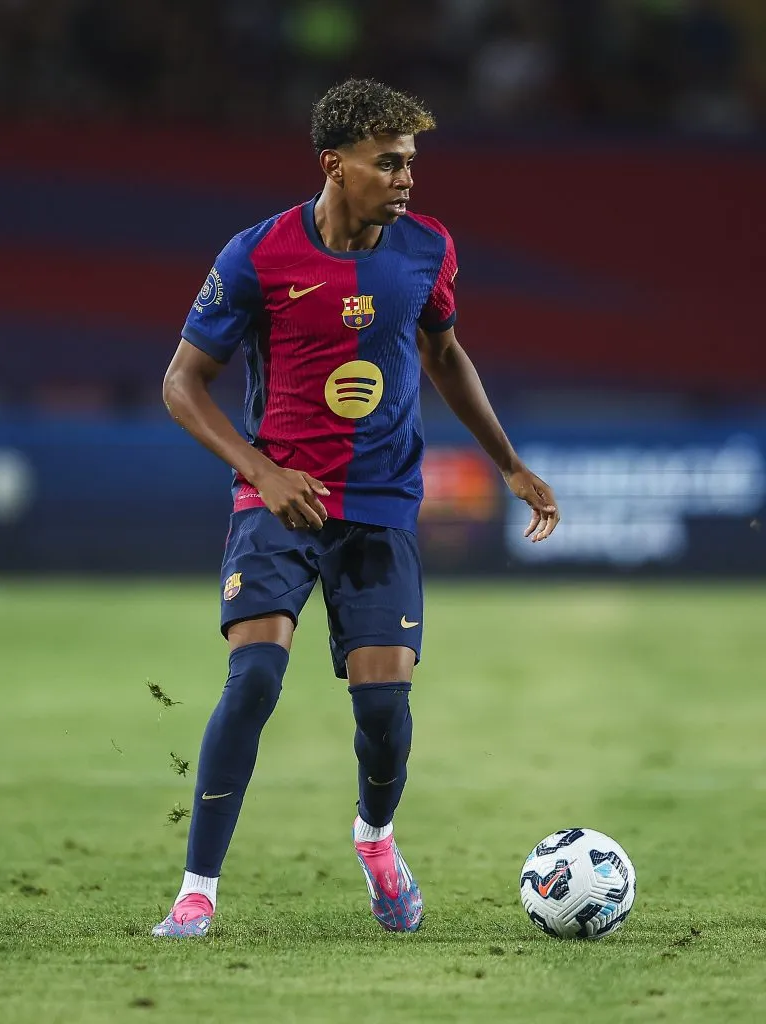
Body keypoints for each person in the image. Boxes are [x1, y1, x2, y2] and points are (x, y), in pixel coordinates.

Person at [152, 78, 559, 939]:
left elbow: (445, 355)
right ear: (334, 165)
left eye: (410, 162)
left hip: (380, 506)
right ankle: (197, 892)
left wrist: (510, 463)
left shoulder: (428, 249)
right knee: (254, 679)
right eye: (388, 163)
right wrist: (261, 471)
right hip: (281, 501)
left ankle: (375, 839)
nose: (407, 178)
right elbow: (181, 385)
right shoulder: (257, 255)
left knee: (382, 712)